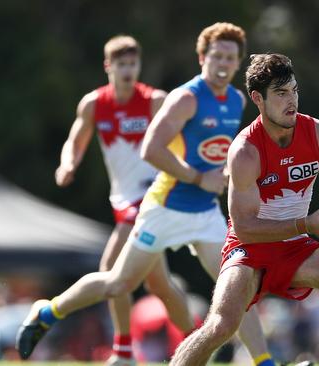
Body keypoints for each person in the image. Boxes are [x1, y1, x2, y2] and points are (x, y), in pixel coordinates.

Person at [16, 22, 278, 366]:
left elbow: (221, 149)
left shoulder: (236, 99)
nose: (223, 63)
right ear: (202, 58)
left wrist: (229, 171)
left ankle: (265, 362)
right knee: (117, 283)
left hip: (205, 214)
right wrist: (198, 178)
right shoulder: (185, 98)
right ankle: (48, 312)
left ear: (238, 61)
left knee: (237, 287)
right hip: (164, 207)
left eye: (230, 57)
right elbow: (151, 149)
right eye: (216, 55)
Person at [170, 53, 319, 366]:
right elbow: (245, 227)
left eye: (294, 91)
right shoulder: (245, 151)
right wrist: (308, 225)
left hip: (299, 248)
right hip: (250, 250)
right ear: (258, 98)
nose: (292, 101)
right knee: (222, 325)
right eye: (281, 93)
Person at [51, 34, 194, 366]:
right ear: (108, 67)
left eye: (133, 64)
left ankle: (123, 351)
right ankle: (197, 342)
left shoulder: (155, 101)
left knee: (111, 272)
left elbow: (180, 142)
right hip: (123, 200)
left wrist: (186, 178)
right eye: (122, 64)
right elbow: (76, 138)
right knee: (160, 285)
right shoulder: (94, 104)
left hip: (153, 197)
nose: (129, 70)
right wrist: (68, 163)